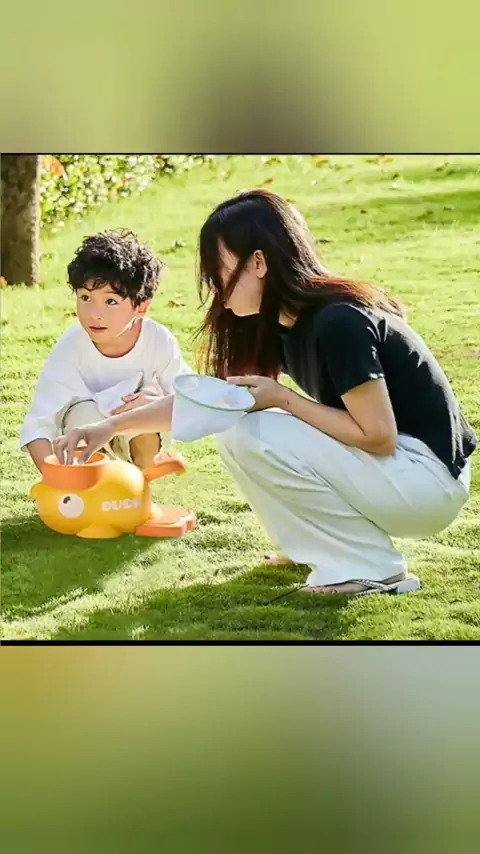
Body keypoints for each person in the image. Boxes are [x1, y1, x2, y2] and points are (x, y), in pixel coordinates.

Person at [53, 191, 477, 596]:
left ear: (258, 263)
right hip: (397, 473)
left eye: (218, 270)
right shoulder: (278, 324)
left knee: (254, 431)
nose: (213, 285)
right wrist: (109, 427)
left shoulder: (339, 323)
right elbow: (213, 403)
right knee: (238, 428)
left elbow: (378, 436)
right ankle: (316, 549)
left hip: (427, 482)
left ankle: (372, 570)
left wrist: (284, 399)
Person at [21, 229, 191, 471]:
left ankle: (142, 482)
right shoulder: (72, 348)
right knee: (84, 417)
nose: (95, 314)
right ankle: (92, 483)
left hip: (137, 435)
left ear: (141, 308)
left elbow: (191, 402)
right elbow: (39, 424)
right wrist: (55, 478)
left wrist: (157, 403)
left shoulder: (158, 341)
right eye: (85, 298)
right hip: (85, 434)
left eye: (111, 301)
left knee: (145, 408)